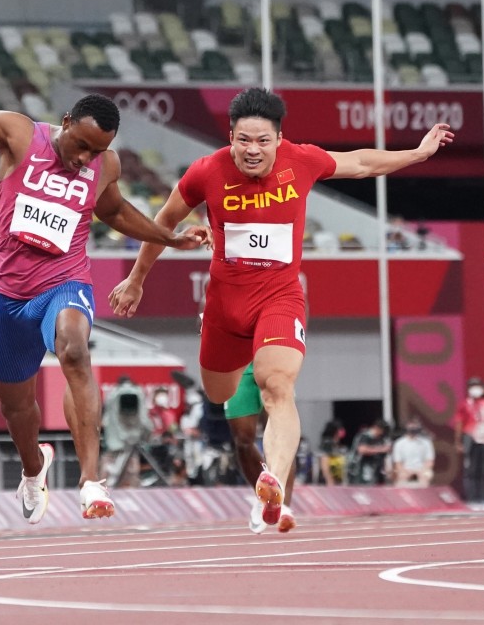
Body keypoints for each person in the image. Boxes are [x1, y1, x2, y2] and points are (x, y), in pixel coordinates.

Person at [0, 0, 211, 524]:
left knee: (74, 348)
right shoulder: (22, 135)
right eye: (81, 145)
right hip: (9, 296)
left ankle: (92, 480)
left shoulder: (103, 164)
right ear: (66, 123)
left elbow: (113, 210)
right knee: (16, 408)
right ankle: (33, 465)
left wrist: (168, 238)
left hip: (63, 281)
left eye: (96, 152)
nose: (85, 159)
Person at [109, 87, 453, 527]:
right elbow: (164, 222)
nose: (253, 150)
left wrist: (417, 154)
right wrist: (137, 279)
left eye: (263, 141)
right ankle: (264, 462)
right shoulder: (205, 172)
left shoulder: (302, 160)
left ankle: (273, 477)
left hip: (279, 297)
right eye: (243, 140)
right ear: (231, 137)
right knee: (219, 393)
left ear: (279, 138)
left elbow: (361, 162)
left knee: (278, 388)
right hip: (224, 306)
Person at [225, 363, 297, 534]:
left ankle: (283, 506)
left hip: (273, 360)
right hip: (238, 367)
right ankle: (264, 494)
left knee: (281, 434)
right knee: (242, 440)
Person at [100, 375, 154, 487]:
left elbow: (105, 421)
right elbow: (144, 420)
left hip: (115, 447)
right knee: (129, 485)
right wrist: (147, 436)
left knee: (107, 486)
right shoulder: (135, 394)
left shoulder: (112, 396)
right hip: (127, 448)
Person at [454, 376, 484, 506]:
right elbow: (459, 423)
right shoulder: (464, 404)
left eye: (477, 385)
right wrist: (458, 442)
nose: (475, 388)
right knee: (471, 469)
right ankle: (472, 498)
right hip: (470, 437)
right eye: (472, 386)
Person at [391, 418, 435, 487]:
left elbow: (429, 461)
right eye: (411, 427)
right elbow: (397, 463)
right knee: (401, 477)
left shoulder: (426, 442)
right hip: (405, 469)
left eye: (415, 426)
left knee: (426, 475)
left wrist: (421, 471)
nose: (413, 429)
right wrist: (405, 472)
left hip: (422, 469)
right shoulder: (399, 443)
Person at [347, 419, 392, 485]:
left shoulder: (380, 439)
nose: (382, 433)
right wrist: (381, 449)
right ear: (376, 428)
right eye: (382, 430)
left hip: (375, 472)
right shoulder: (365, 436)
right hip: (361, 470)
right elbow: (362, 449)